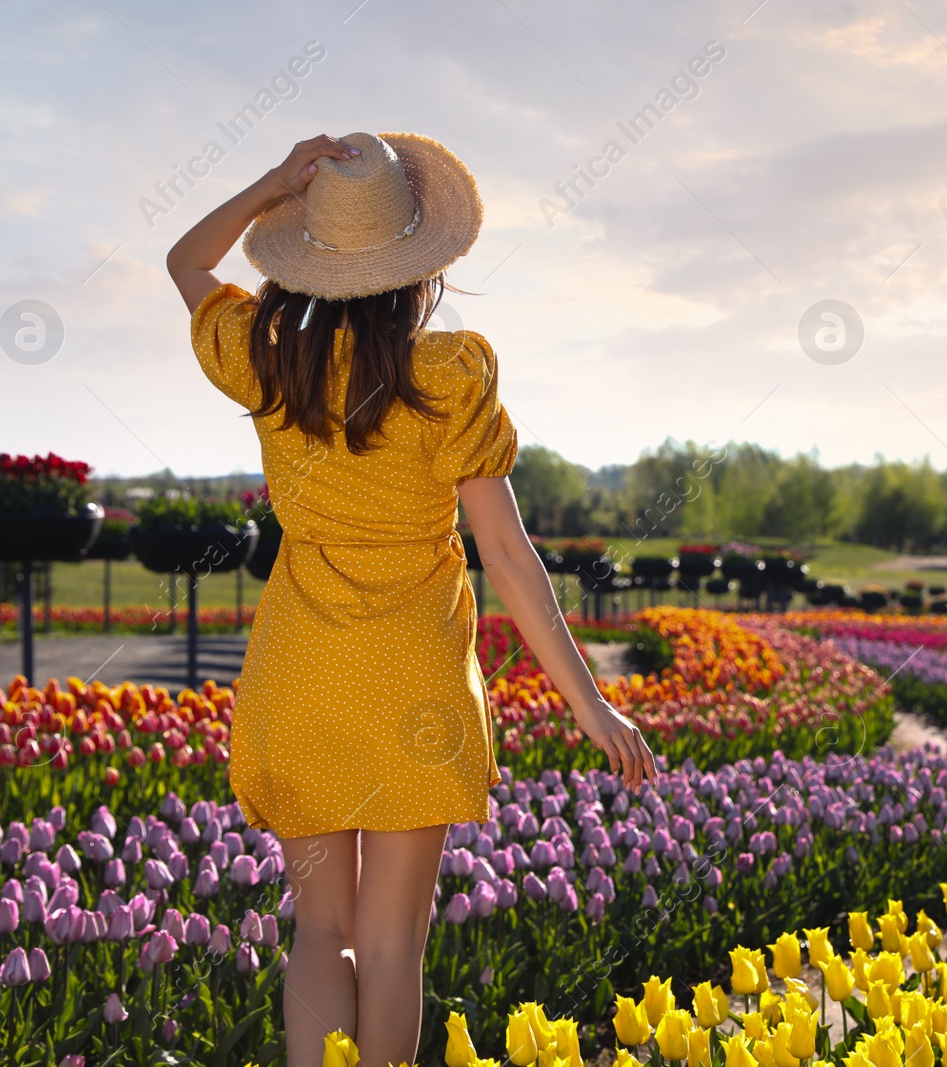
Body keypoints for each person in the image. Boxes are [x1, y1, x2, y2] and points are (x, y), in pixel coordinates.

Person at [166, 132, 656, 1067]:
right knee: (394, 945)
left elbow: (185, 261)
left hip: (301, 676)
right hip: (415, 690)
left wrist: (275, 182)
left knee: (322, 934)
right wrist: (590, 706)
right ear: (419, 265)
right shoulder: (449, 376)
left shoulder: (269, 361)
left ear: (304, 257)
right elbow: (509, 559)